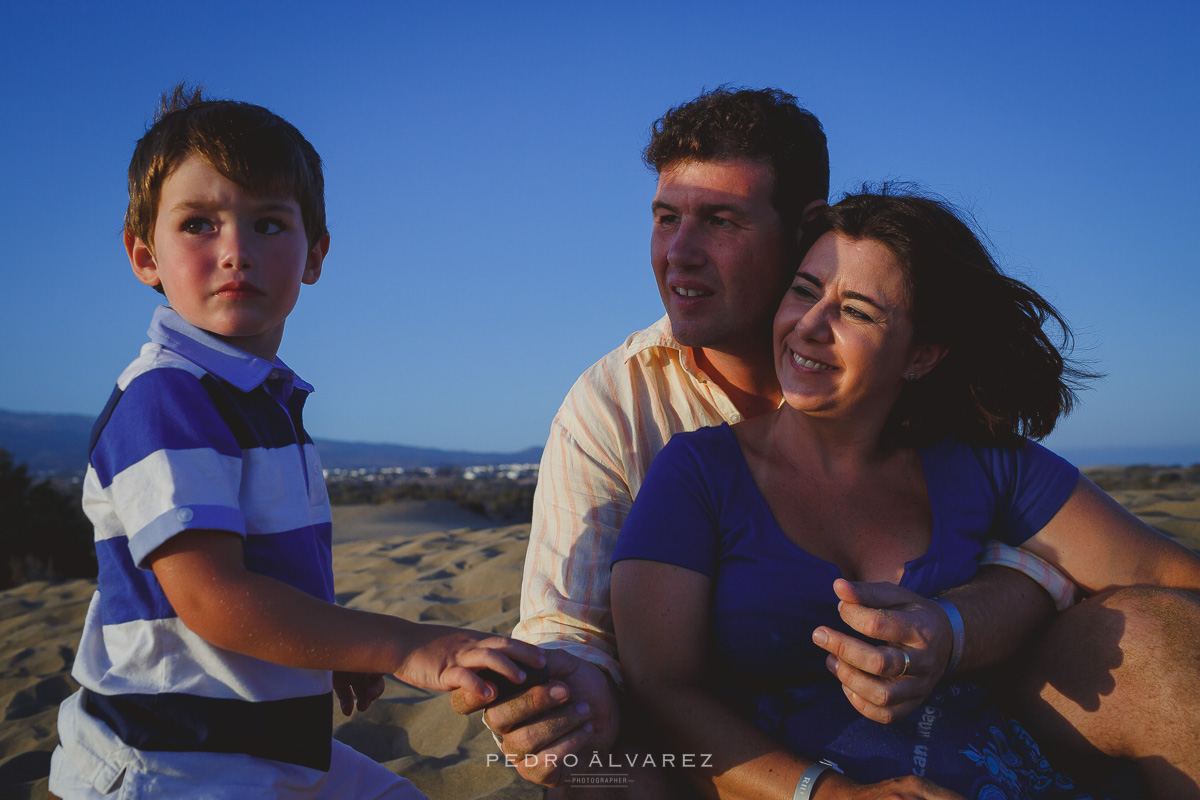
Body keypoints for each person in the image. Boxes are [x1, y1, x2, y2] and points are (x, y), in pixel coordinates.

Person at [452, 88, 1079, 794]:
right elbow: (570, 625)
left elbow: (1028, 534)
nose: (678, 254)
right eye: (665, 219)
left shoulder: (898, 373)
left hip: (964, 717)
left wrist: (977, 611)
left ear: (806, 226)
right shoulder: (614, 403)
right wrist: (563, 692)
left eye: (720, 220)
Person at [610, 188, 1200, 799]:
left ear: (921, 355)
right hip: (786, 787)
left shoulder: (982, 462)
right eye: (804, 291)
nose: (809, 327)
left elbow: (1179, 586)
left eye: (857, 312)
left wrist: (989, 605)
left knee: (1162, 635)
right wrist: (830, 796)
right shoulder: (699, 471)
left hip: (1000, 769)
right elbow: (658, 687)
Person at [48, 85, 544, 800]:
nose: (235, 252)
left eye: (269, 225)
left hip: (268, 744)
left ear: (314, 254)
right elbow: (215, 599)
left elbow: (271, 577)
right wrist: (399, 643)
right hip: (168, 761)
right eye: (197, 224)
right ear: (143, 255)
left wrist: (328, 648)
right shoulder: (168, 396)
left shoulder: (262, 397)